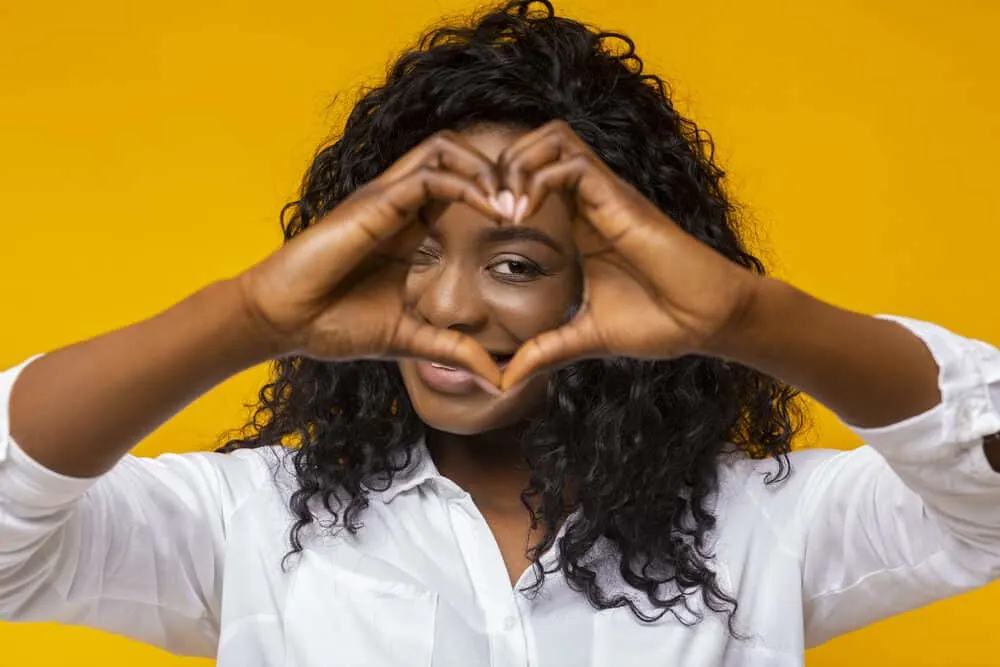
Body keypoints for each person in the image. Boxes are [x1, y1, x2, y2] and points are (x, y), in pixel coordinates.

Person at [2, 1, 999, 665]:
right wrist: (249, 317)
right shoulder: (247, 522)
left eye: (516, 263)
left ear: (609, 279)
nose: (447, 305)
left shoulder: (765, 525)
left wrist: (747, 316)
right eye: (410, 251)